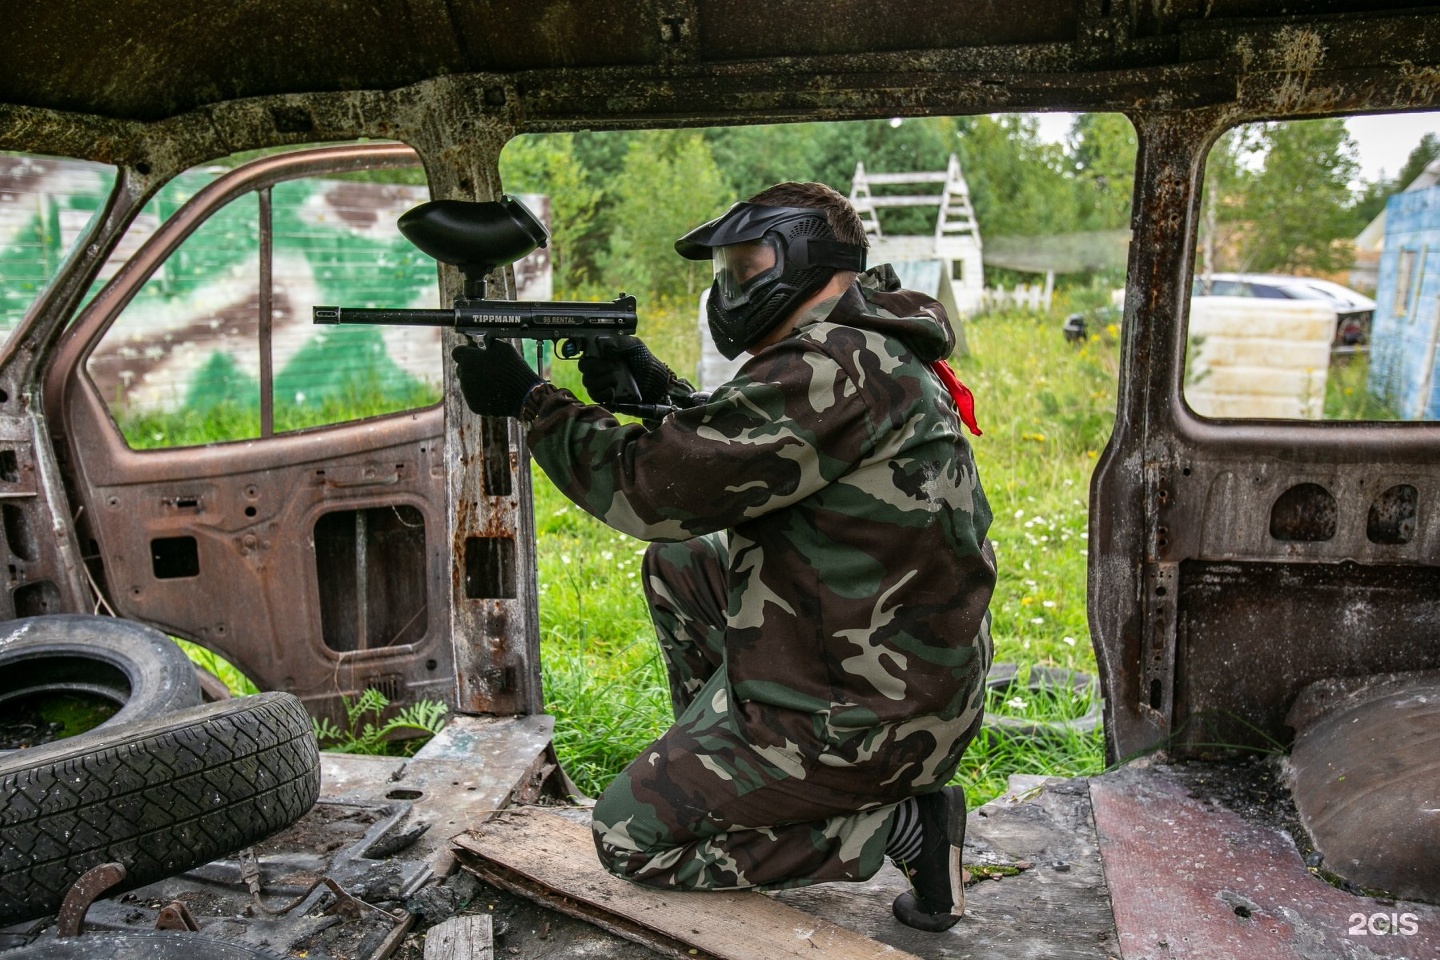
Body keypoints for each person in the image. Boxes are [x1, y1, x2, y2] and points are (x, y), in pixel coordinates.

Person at [452, 181, 995, 932]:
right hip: (904, 681)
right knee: (684, 567)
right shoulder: (864, 344)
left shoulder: (830, 366)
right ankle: (741, 775)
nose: (732, 286)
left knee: (628, 839)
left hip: (873, 723)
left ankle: (901, 827)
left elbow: (652, 490)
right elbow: (755, 453)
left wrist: (530, 401)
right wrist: (655, 394)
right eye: (728, 270)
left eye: (748, 266)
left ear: (806, 259)